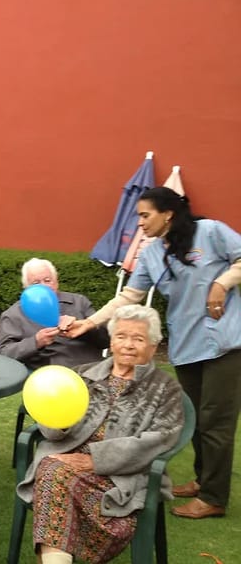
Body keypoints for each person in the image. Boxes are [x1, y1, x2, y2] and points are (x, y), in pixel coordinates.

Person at [64, 187, 241, 519]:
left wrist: (223, 283)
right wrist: (89, 322)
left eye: (145, 215)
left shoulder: (211, 232)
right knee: (196, 419)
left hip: (226, 343)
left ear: (168, 214)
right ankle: (204, 481)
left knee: (216, 422)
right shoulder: (151, 253)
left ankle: (214, 497)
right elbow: (129, 295)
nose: (140, 223)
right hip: (187, 345)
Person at [18, 305, 184, 564]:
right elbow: (51, 419)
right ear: (111, 341)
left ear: (153, 346)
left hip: (121, 478)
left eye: (138, 339)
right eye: (121, 336)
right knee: (54, 471)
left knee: (51, 471)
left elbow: (159, 440)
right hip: (64, 462)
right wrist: (57, 425)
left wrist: (96, 461)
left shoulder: (165, 389)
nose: (128, 345)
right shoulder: (82, 375)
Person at [0, 258, 109, 369]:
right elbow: (2, 354)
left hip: (89, 370)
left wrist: (82, 327)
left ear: (56, 283)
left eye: (47, 280)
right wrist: (36, 342)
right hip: (48, 375)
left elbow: (106, 340)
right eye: (36, 283)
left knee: (114, 379)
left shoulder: (79, 302)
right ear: (26, 288)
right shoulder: (14, 314)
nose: (43, 286)